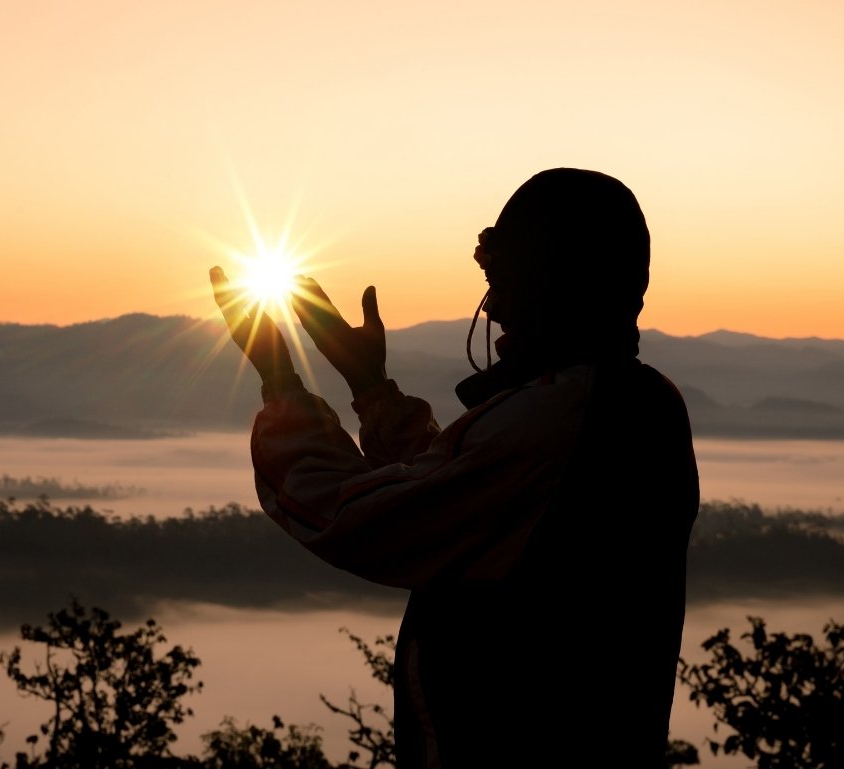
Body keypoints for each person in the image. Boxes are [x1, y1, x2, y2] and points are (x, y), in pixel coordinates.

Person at [210, 168, 699, 768]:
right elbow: (456, 492)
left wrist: (280, 382)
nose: (492, 307)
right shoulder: (634, 400)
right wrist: (368, 385)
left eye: (503, 280)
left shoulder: (564, 412)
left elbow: (360, 519)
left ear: (555, 281)